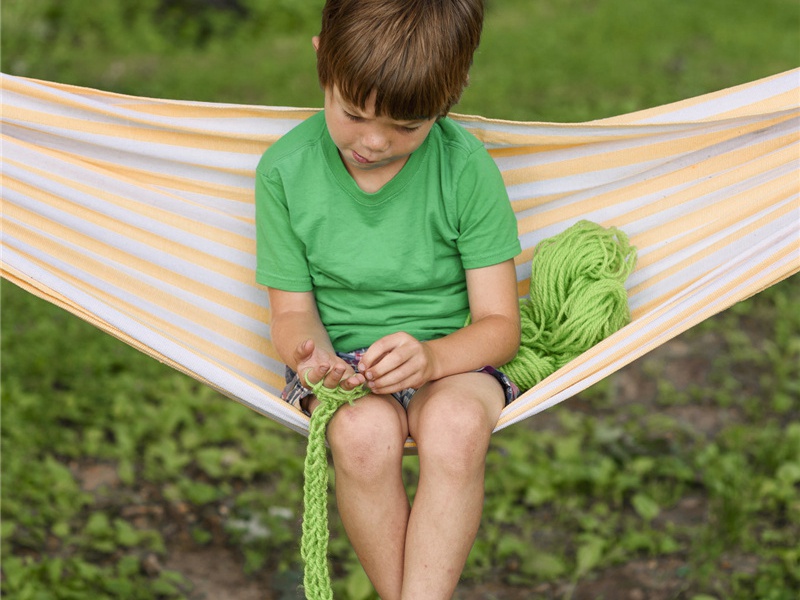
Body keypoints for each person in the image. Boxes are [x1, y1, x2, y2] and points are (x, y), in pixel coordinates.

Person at [255, 1, 521, 597]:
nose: (373, 142)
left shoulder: (465, 169)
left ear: (454, 92)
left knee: (455, 426)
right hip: (343, 365)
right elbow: (292, 312)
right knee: (361, 437)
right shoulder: (285, 172)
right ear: (323, 59)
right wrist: (313, 358)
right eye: (353, 114)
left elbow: (500, 325)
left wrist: (431, 358)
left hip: (452, 360)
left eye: (406, 126)